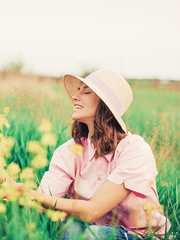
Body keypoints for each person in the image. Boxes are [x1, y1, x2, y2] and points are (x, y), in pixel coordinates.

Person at [32, 69, 171, 239]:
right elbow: (40, 203)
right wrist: (7, 191)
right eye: (77, 91)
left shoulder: (135, 150)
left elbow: (92, 211)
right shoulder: (68, 151)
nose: (75, 97)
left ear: (105, 104)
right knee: (68, 227)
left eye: (86, 91)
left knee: (92, 235)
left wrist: (30, 195)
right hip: (92, 229)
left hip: (138, 234)